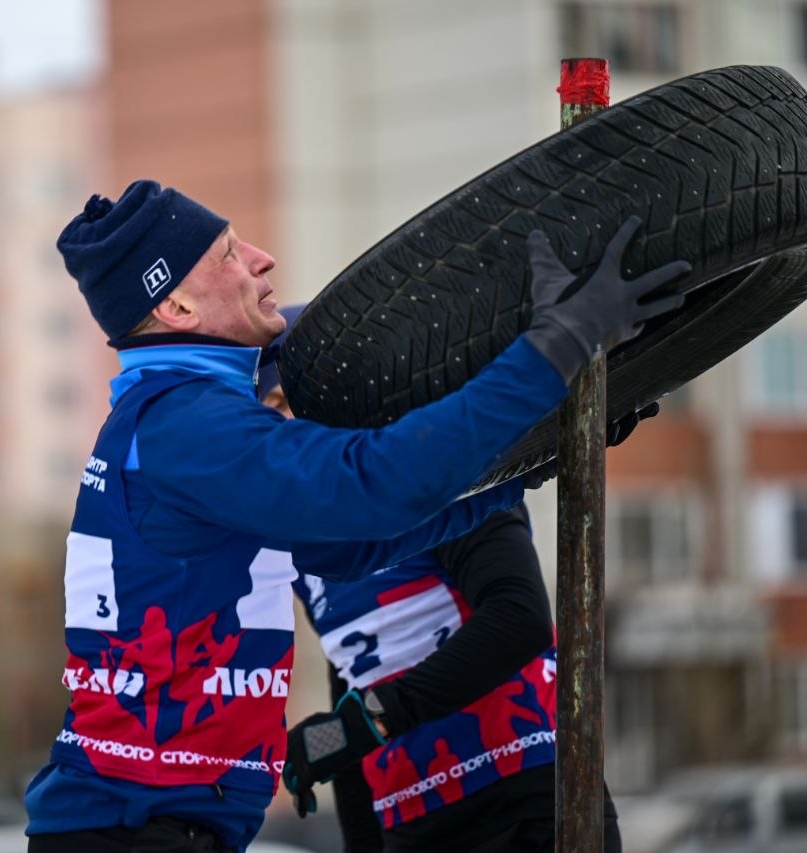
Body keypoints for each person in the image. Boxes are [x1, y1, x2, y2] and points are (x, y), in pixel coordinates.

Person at [24, 179, 688, 852]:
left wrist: (537, 461)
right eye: (228, 253)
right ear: (176, 304)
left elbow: (357, 548)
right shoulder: (187, 423)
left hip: (500, 800)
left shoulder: (174, 420)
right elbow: (372, 486)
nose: (260, 258)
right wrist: (557, 345)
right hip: (134, 828)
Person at [261, 318, 642, 851]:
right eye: (271, 408)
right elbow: (354, 685)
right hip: (411, 821)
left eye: (294, 400)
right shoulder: (304, 543)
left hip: (524, 798)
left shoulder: (431, 476)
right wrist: (344, 749)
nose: (286, 421)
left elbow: (519, 618)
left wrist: (374, 718)